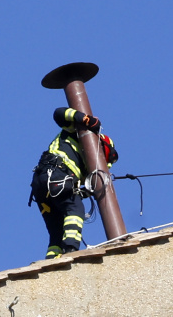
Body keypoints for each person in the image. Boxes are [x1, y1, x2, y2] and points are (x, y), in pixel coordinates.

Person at [29, 107, 118, 259]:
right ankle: (71, 250)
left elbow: (72, 187)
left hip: (42, 184)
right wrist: (83, 118)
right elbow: (59, 113)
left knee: (56, 230)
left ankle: (52, 259)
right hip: (56, 174)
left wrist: (84, 191)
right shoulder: (78, 133)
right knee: (75, 209)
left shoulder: (84, 165)